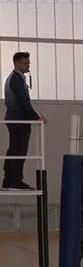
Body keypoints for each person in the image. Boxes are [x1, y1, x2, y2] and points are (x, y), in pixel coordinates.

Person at [3, 52, 43, 191]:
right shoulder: (16, 79)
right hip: (18, 119)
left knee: (14, 148)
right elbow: (23, 101)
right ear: (17, 63)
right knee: (19, 149)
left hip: (14, 118)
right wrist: (36, 117)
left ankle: (9, 179)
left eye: (28, 63)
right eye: (25, 63)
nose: (28, 65)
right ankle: (15, 180)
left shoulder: (14, 78)